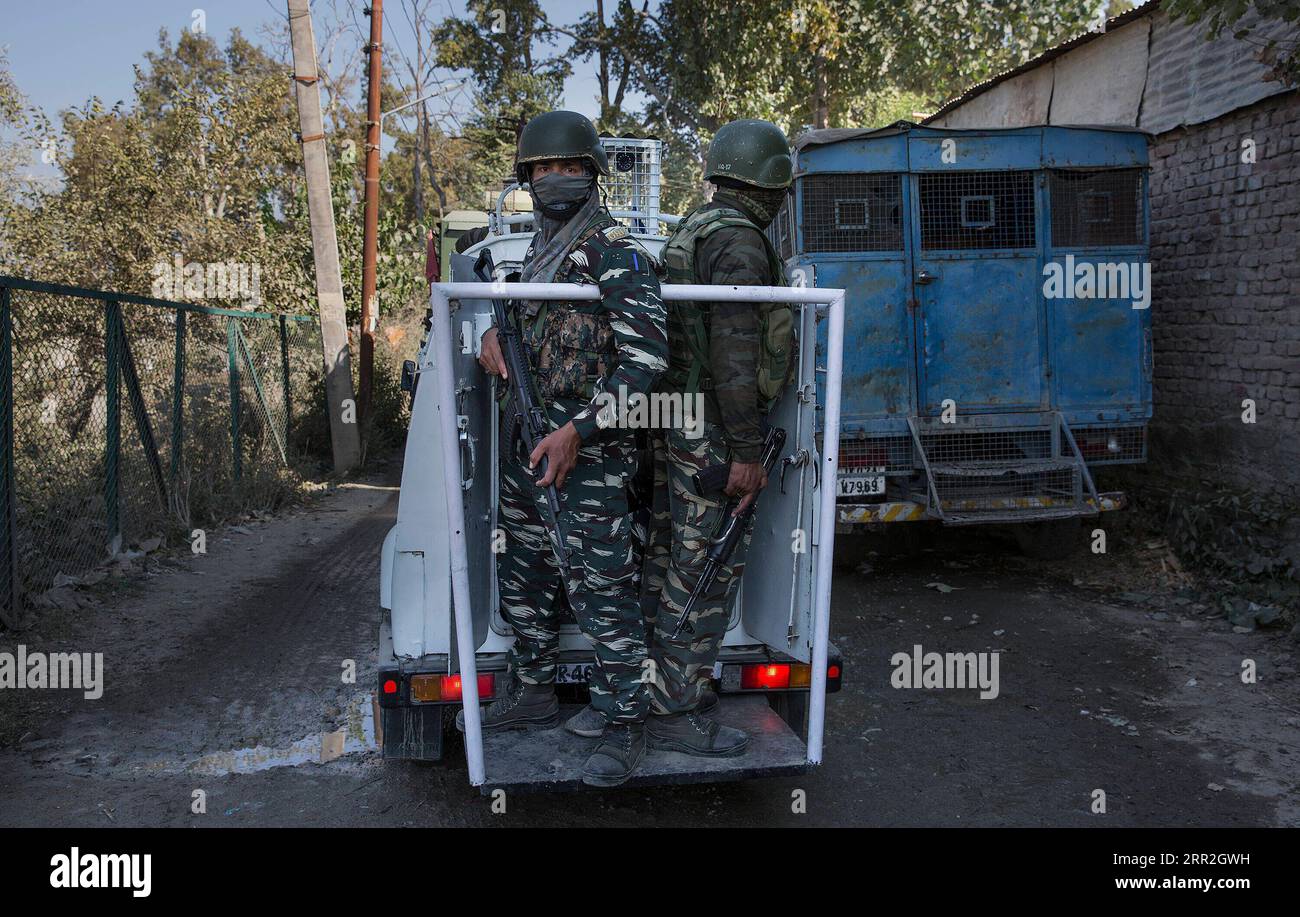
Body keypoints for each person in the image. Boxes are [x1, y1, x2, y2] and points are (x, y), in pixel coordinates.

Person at [457, 110, 668, 787]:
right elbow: (519, 334)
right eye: (541, 169)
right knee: (526, 576)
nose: (553, 178)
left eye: (566, 167)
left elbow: (646, 364)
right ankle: (533, 689)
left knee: (604, 591)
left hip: (592, 459)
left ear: (590, 173)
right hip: (531, 448)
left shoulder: (615, 250)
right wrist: (491, 342)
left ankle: (625, 720)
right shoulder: (539, 252)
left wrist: (581, 431)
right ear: (526, 178)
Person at [632, 118, 794, 756]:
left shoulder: (690, 229)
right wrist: (748, 451)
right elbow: (734, 351)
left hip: (677, 420)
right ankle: (676, 710)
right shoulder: (741, 243)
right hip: (714, 430)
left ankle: (647, 691)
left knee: (670, 557)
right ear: (770, 183)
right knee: (704, 569)